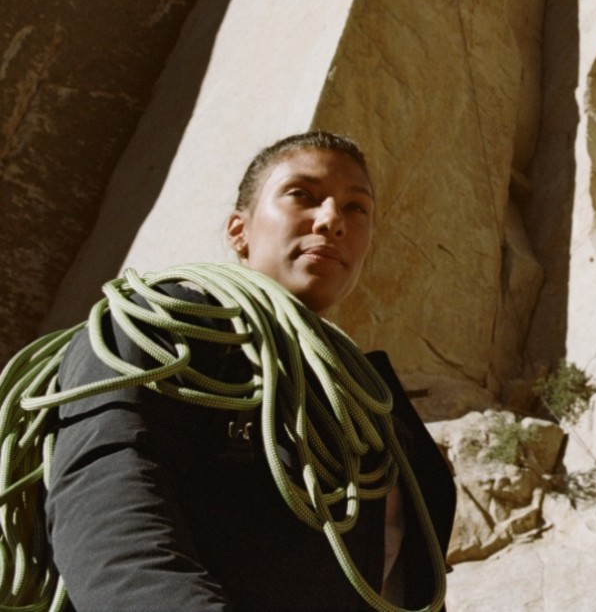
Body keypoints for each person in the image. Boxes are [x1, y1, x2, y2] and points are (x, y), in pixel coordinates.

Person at [45, 131, 456, 611]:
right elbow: (108, 512)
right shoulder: (160, 325)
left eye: (355, 208)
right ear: (240, 230)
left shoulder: (374, 404)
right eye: (302, 195)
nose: (331, 221)